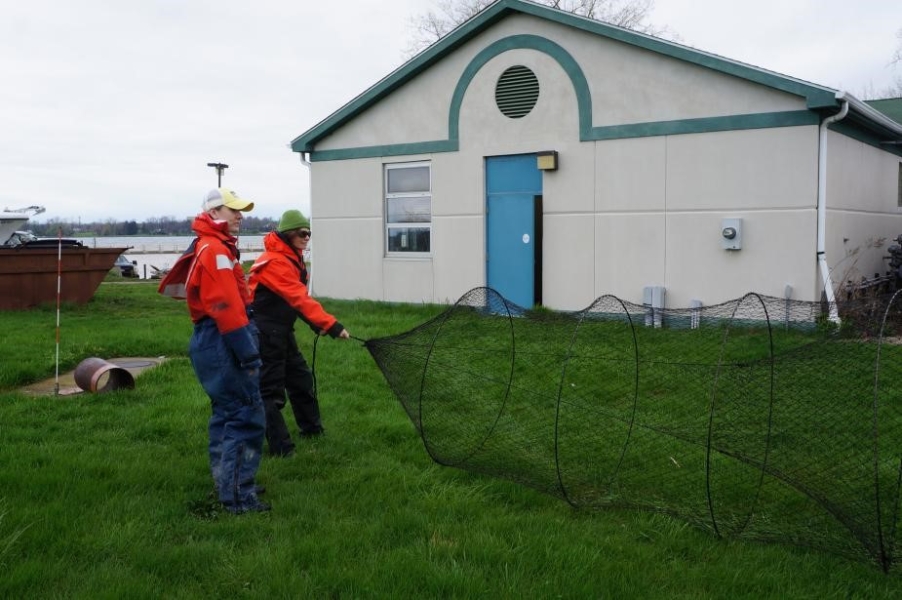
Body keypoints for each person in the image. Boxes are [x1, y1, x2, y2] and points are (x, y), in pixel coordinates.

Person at [160, 187, 269, 514]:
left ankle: (229, 482)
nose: (240, 216)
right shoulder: (216, 252)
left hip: (211, 339)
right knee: (245, 414)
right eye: (233, 209)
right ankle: (238, 495)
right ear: (213, 212)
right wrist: (247, 352)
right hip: (225, 339)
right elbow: (225, 306)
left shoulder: (210, 246)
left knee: (226, 414)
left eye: (240, 210)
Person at [249, 209, 350, 457]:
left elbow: (295, 300)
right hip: (265, 332)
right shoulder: (275, 262)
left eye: (309, 233)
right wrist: (331, 325)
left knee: (301, 380)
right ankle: (281, 449)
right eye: (302, 233)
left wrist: (317, 324)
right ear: (288, 234)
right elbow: (297, 298)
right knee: (270, 393)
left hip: (281, 330)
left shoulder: (290, 256)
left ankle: (312, 430)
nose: (307, 238)